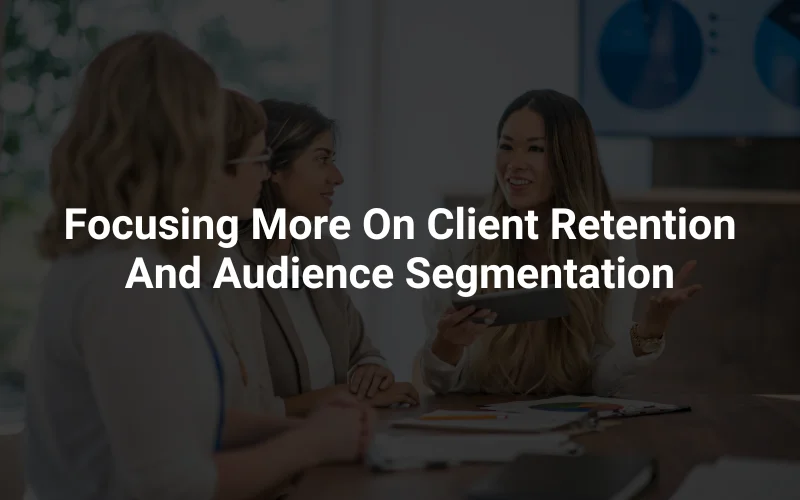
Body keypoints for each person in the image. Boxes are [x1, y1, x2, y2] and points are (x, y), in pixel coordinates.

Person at [25, 32, 373, 500]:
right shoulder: (123, 279)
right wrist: (312, 443)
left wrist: (306, 430)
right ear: (190, 148)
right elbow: (172, 486)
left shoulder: (133, 260)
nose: (261, 169)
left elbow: (185, 421)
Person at [418, 89, 702, 397]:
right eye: (506, 147)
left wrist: (648, 331)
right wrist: (446, 344)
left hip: (563, 425)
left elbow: (602, 382)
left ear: (569, 159)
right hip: (477, 425)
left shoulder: (609, 243)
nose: (515, 163)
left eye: (536, 149)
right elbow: (439, 384)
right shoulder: (459, 243)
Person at [235, 99, 419, 415]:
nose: (337, 177)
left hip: (333, 442)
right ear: (274, 169)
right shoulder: (226, 263)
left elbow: (361, 349)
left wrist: (370, 371)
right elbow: (243, 410)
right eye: (322, 160)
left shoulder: (318, 249)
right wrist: (346, 398)